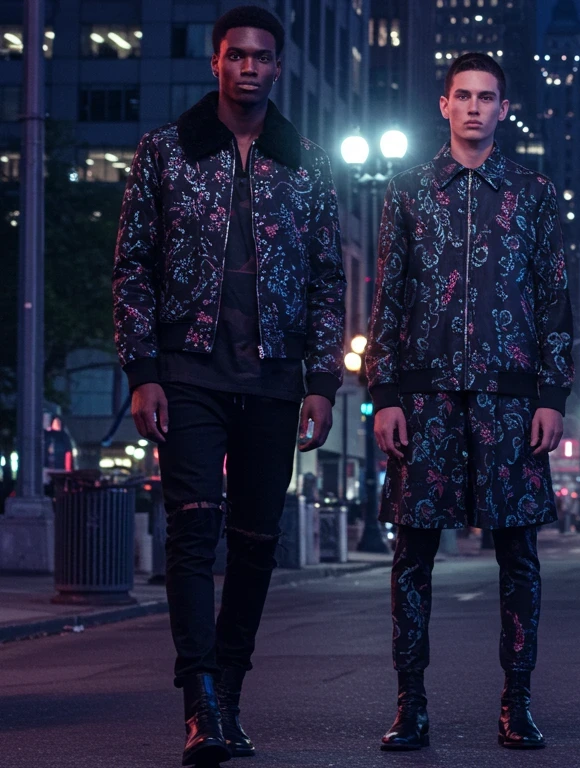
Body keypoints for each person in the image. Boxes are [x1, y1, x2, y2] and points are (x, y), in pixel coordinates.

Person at [112, 6, 344, 765]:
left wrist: (322, 382)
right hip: (188, 373)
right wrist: (143, 372)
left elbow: (326, 282)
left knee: (254, 542)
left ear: (276, 67)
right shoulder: (164, 153)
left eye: (261, 57)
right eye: (236, 55)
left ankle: (231, 693)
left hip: (276, 381)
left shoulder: (307, 162)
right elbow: (131, 267)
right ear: (216, 62)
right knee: (192, 530)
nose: (248, 66)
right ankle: (199, 698)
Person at [364, 51, 572, 752]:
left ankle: (517, 701)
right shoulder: (409, 190)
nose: (476, 107)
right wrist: (384, 393)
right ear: (444, 106)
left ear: (503, 108)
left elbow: (554, 301)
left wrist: (552, 395)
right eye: (465, 96)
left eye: (488, 96)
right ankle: (410, 702)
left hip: (511, 402)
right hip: (422, 400)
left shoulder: (535, 193)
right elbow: (388, 298)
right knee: (411, 557)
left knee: (519, 557)